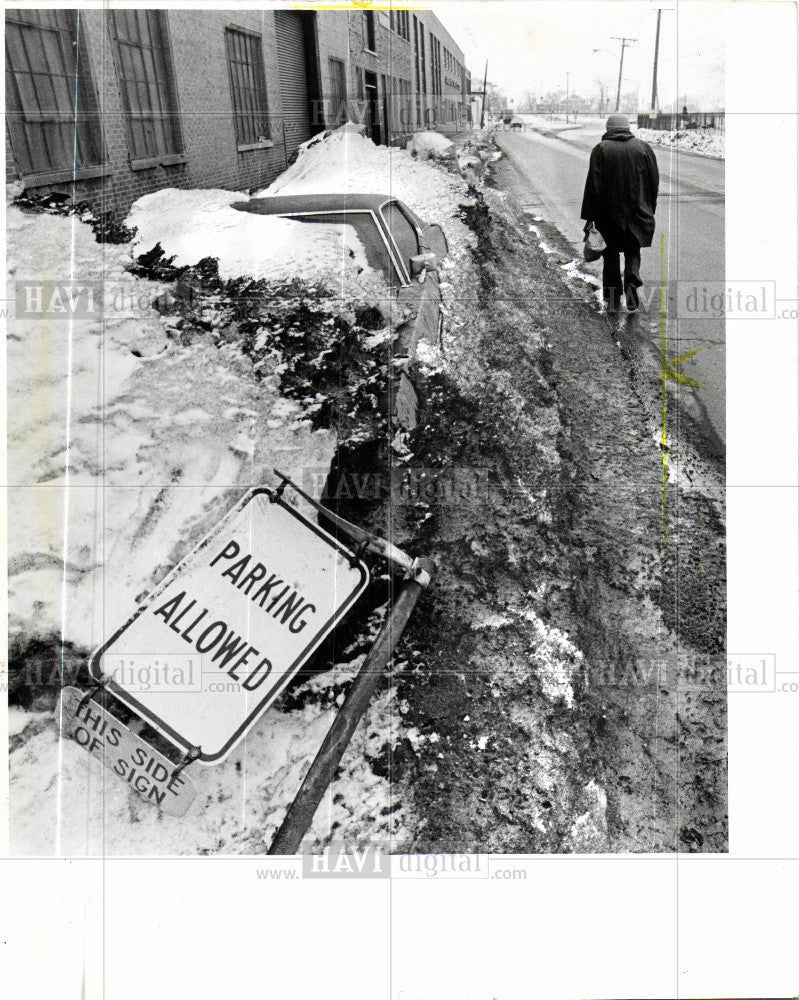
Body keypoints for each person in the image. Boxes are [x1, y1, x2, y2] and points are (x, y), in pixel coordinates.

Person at [580, 113, 659, 311]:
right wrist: (649, 208)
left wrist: (590, 217)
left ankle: (613, 297)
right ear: (627, 127)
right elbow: (653, 182)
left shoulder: (601, 149)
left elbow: (593, 186)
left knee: (611, 254)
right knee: (633, 250)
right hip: (638, 212)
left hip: (608, 215)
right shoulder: (644, 148)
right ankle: (632, 285)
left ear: (608, 129)